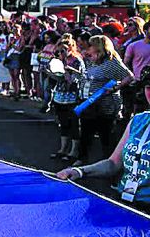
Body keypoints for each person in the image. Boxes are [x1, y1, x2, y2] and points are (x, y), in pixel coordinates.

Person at [56, 77, 150, 212]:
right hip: (124, 202)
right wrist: (79, 171)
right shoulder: (138, 120)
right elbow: (113, 163)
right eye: (148, 88)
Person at [77, 35, 134, 162]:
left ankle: (109, 163)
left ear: (99, 47)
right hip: (88, 104)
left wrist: (115, 88)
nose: (88, 48)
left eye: (91, 45)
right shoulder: (92, 61)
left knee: (106, 135)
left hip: (105, 105)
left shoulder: (111, 62)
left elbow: (129, 76)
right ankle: (82, 159)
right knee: (86, 133)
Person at [49, 36, 85, 162]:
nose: (61, 53)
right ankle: (62, 148)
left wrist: (65, 68)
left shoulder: (77, 61)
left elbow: (73, 80)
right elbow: (59, 78)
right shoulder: (59, 61)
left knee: (74, 123)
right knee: (63, 122)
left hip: (72, 96)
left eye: (64, 50)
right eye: (60, 51)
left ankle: (74, 150)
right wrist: (49, 72)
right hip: (60, 94)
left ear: (70, 48)